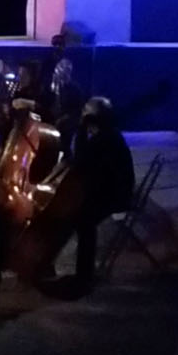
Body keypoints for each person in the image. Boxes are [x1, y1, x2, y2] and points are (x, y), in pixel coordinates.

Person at [54, 97, 135, 293]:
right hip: (111, 191)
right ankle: (83, 273)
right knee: (81, 216)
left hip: (117, 195)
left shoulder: (104, 138)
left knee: (83, 220)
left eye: (85, 115)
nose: (82, 118)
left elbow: (81, 160)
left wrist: (81, 130)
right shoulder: (106, 134)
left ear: (93, 118)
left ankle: (84, 277)